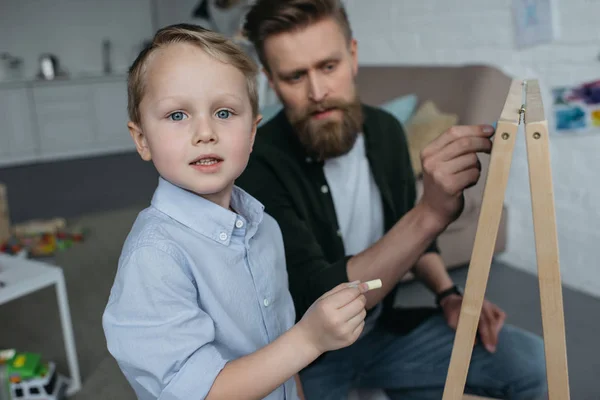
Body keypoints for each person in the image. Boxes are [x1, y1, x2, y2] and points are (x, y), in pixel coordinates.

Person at [236, 1, 549, 399]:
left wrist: (448, 294)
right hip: (306, 356)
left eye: (328, 67)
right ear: (271, 81)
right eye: (295, 76)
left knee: (531, 362)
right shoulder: (255, 160)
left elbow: (412, 237)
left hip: (382, 331)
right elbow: (320, 295)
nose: (318, 92)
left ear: (352, 55)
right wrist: (431, 212)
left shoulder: (385, 131)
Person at [102, 23, 376, 400]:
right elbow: (202, 392)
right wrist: (310, 338)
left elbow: (278, 348)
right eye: (177, 115)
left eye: (225, 112)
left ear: (251, 133)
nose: (205, 132)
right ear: (142, 139)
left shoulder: (266, 229)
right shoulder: (154, 258)